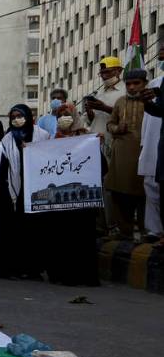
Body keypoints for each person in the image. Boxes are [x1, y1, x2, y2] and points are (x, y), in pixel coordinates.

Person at [0, 104, 50, 279]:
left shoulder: (42, 135)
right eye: (13, 117)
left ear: (27, 116)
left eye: (19, 115)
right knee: (20, 229)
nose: (16, 119)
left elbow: (51, 155)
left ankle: (35, 269)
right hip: (18, 189)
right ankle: (20, 267)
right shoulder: (7, 140)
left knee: (36, 230)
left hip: (38, 187)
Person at [45, 103, 99, 286]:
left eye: (68, 114)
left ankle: (85, 276)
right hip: (62, 200)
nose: (64, 117)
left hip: (82, 199)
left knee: (83, 237)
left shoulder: (87, 138)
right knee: (62, 237)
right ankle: (62, 275)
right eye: (60, 115)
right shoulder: (52, 140)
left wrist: (96, 144)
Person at [105, 69, 149, 239]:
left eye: (136, 83)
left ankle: (148, 232)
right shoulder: (120, 102)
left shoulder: (151, 102)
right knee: (121, 194)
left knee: (145, 194)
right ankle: (125, 232)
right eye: (128, 84)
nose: (131, 87)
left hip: (144, 155)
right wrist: (117, 128)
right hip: (122, 155)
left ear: (145, 83)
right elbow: (110, 124)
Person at [139, 43, 164, 242]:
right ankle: (155, 230)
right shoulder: (157, 82)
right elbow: (154, 114)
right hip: (154, 141)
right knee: (152, 186)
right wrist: (147, 103)